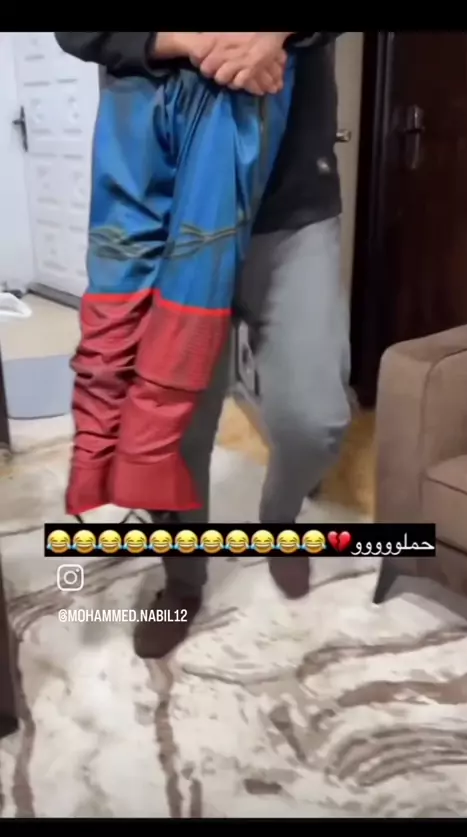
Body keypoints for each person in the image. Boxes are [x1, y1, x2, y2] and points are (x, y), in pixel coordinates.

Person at [55, 32, 351, 659]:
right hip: (164, 204)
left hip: (290, 209)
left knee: (315, 421)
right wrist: (190, 40)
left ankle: (279, 522)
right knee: (177, 425)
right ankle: (183, 578)